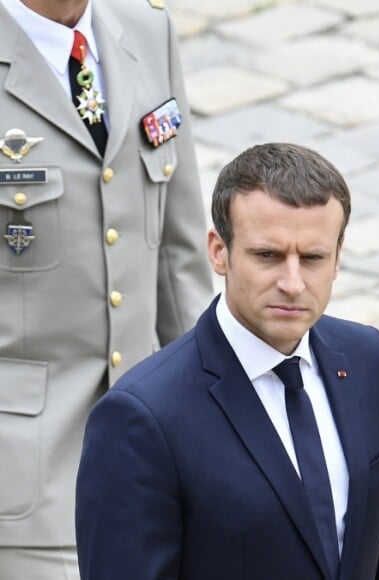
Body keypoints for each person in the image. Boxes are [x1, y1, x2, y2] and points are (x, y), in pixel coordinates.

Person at [76, 143, 379, 580]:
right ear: (219, 251)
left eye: (312, 258)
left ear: (338, 257)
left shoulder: (367, 359)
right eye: (267, 256)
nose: (292, 283)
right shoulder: (142, 418)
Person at [0, 0, 213, 578]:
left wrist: (222, 416)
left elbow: (180, 258)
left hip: (152, 460)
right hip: (24, 484)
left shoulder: (147, 31)